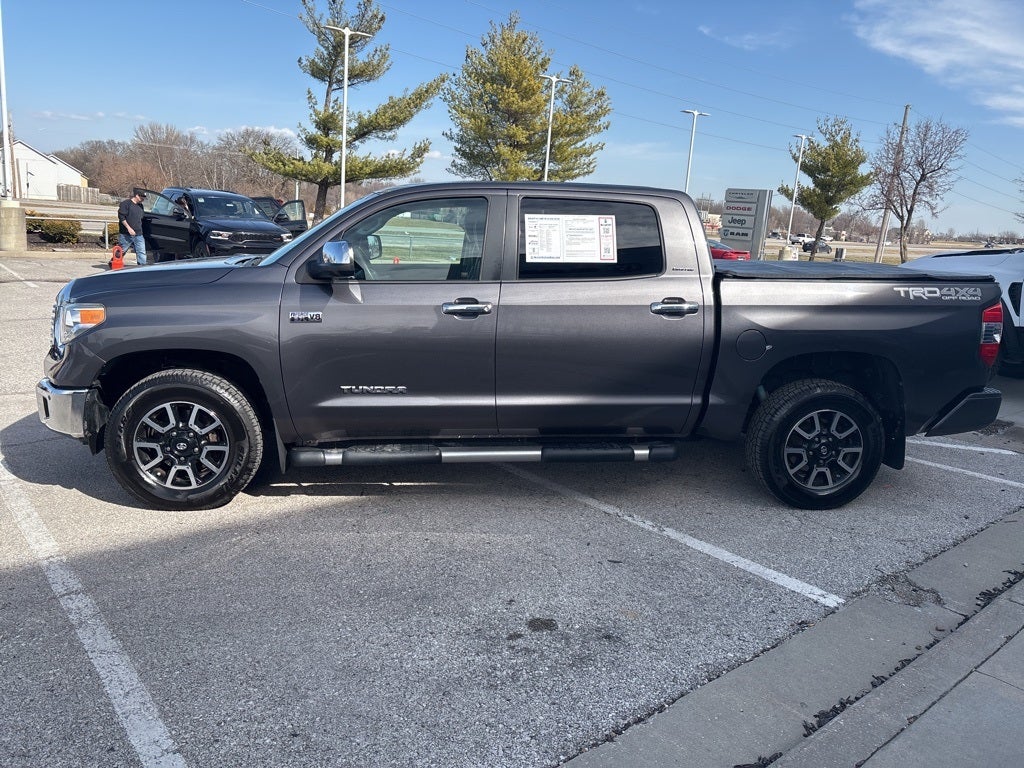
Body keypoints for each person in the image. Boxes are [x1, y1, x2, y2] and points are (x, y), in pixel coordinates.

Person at [117, 189, 147, 265]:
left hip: (138, 233)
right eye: (142, 197)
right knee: (122, 250)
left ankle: (142, 267)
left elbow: (141, 218)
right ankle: (114, 263)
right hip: (126, 233)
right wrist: (129, 228)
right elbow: (122, 217)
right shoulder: (126, 204)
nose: (143, 199)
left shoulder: (140, 206)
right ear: (137, 195)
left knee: (141, 251)